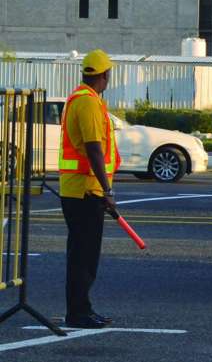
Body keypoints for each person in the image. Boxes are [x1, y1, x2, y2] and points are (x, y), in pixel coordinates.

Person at [60, 49, 121, 328]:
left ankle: (82, 309)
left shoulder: (85, 99)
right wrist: (108, 191)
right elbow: (95, 150)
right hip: (85, 191)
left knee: (83, 256)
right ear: (105, 76)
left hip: (84, 190)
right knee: (83, 258)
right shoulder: (87, 103)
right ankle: (78, 313)